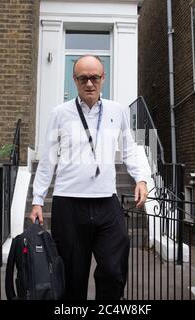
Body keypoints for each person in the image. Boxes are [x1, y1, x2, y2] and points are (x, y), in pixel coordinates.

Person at [29, 55, 151, 300]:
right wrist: (38, 199)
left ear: (103, 78)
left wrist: (141, 179)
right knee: (72, 278)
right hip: (68, 204)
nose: (89, 84)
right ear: (74, 80)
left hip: (106, 203)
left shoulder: (117, 111)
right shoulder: (60, 113)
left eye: (94, 77)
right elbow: (48, 159)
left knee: (114, 270)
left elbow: (129, 149)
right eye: (83, 78)